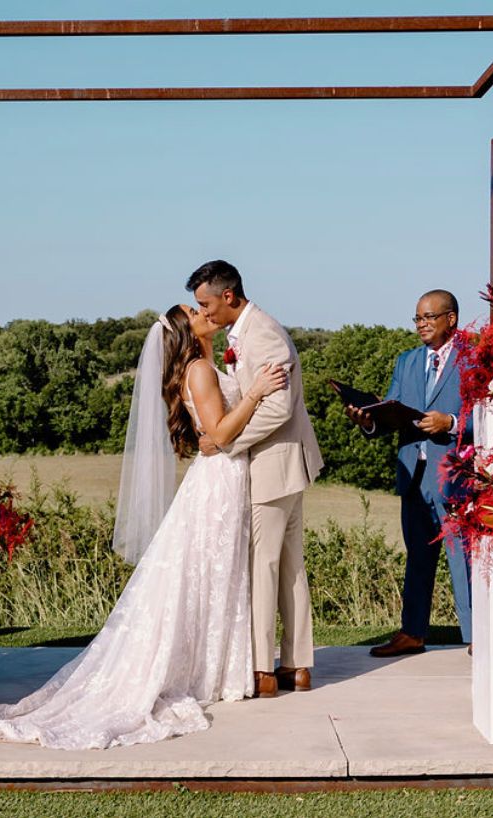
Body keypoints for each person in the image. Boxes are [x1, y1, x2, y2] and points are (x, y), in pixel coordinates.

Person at [0, 305, 287, 748]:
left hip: (221, 476)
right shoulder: (200, 370)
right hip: (220, 481)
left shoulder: (204, 365)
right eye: (195, 311)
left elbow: (215, 435)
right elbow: (222, 433)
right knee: (208, 573)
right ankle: (208, 671)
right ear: (187, 332)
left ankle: (212, 667)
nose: (205, 312)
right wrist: (255, 393)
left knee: (211, 575)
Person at [188, 260, 324, 698]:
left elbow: (279, 408)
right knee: (288, 567)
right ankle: (298, 665)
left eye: (206, 304)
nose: (204, 314)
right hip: (281, 467)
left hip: (272, 467)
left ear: (229, 296)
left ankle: (264, 670)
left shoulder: (261, 331)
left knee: (265, 568)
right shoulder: (241, 334)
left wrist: (229, 442)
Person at [344, 290, 472, 657]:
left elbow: (491, 418)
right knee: (417, 556)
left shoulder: (474, 361)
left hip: (454, 476)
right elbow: (391, 410)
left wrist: (450, 422)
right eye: (417, 318)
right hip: (412, 475)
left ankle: (477, 636)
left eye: (429, 317)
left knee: (461, 559)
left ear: (451, 318)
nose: (421, 325)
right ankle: (412, 633)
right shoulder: (407, 361)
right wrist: (369, 420)